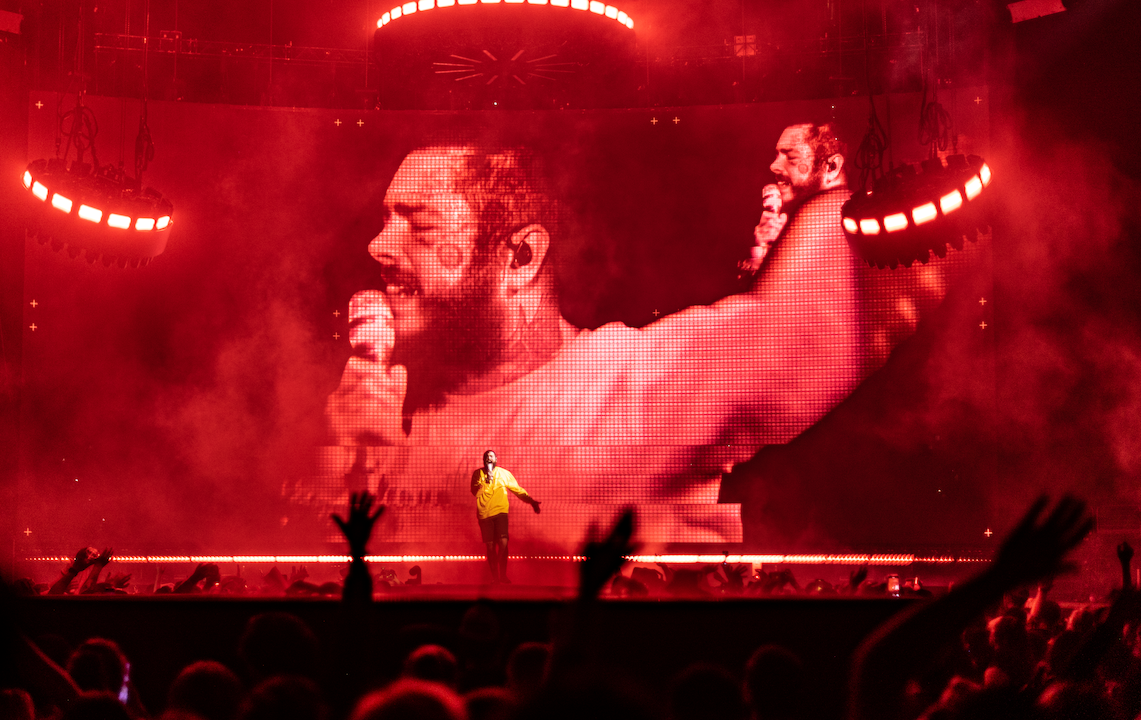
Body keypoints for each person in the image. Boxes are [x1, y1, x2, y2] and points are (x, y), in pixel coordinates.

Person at [320, 123, 918, 550]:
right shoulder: (404, 420)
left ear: (521, 257)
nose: (378, 246)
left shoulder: (634, 376)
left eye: (417, 223)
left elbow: (811, 339)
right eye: (383, 219)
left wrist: (828, 196)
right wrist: (361, 462)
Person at [471, 450, 541, 583]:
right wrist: (486, 482)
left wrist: (531, 501)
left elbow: (517, 490)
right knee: (490, 545)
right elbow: (475, 493)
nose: (488, 458)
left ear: (496, 459)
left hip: (500, 513)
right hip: (484, 515)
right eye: (486, 457)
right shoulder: (478, 474)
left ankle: (502, 573)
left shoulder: (504, 474)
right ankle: (495, 577)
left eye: (491, 456)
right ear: (483, 460)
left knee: (503, 542)